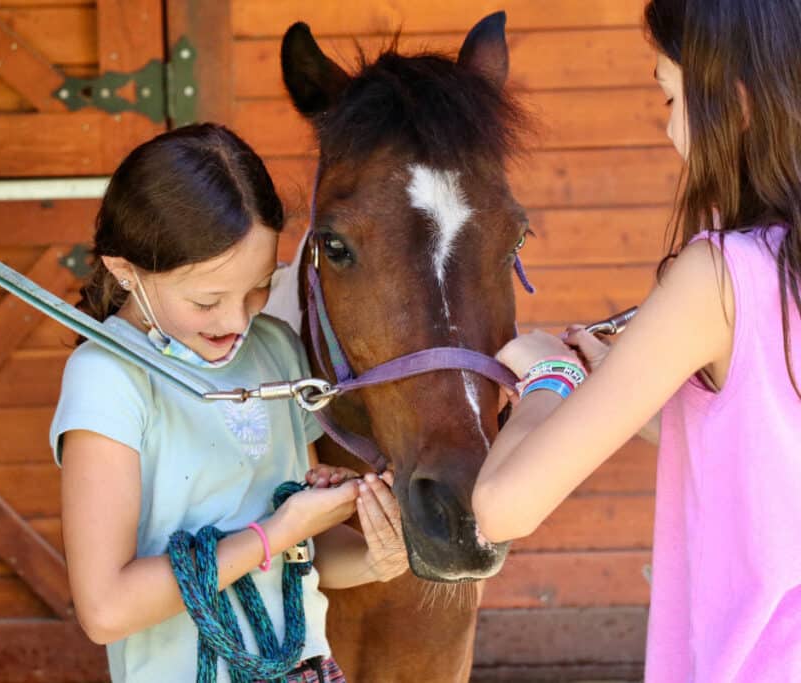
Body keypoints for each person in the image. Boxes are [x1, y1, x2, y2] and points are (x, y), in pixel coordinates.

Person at [472, 0, 801, 680]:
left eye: (672, 97)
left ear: (734, 103)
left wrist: (549, 379)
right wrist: (626, 384)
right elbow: (758, 441)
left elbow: (504, 506)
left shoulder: (718, 276)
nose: (671, 129)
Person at [50, 123, 407, 682]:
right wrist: (280, 531)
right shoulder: (107, 379)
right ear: (126, 271)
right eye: (207, 300)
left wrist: (373, 557)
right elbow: (106, 609)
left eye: (259, 288)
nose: (237, 321)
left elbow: (301, 554)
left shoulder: (275, 350)